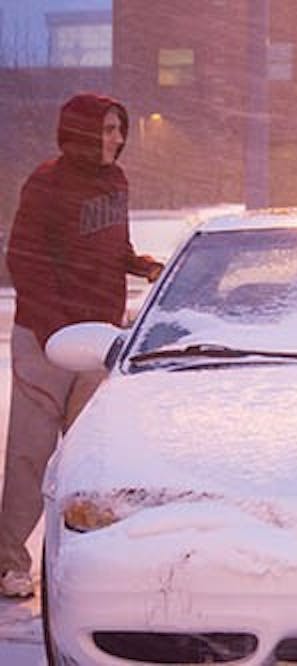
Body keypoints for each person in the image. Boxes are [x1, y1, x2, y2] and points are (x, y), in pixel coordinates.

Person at [0, 92, 163, 598]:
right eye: (108, 130)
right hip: (46, 339)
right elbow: (24, 260)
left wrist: (141, 266)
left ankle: (85, 557)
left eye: (119, 129)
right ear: (83, 132)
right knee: (31, 453)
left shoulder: (116, 182)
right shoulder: (46, 183)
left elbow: (114, 247)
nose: (117, 139)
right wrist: (54, 332)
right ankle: (9, 562)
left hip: (98, 339)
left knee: (89, 456)